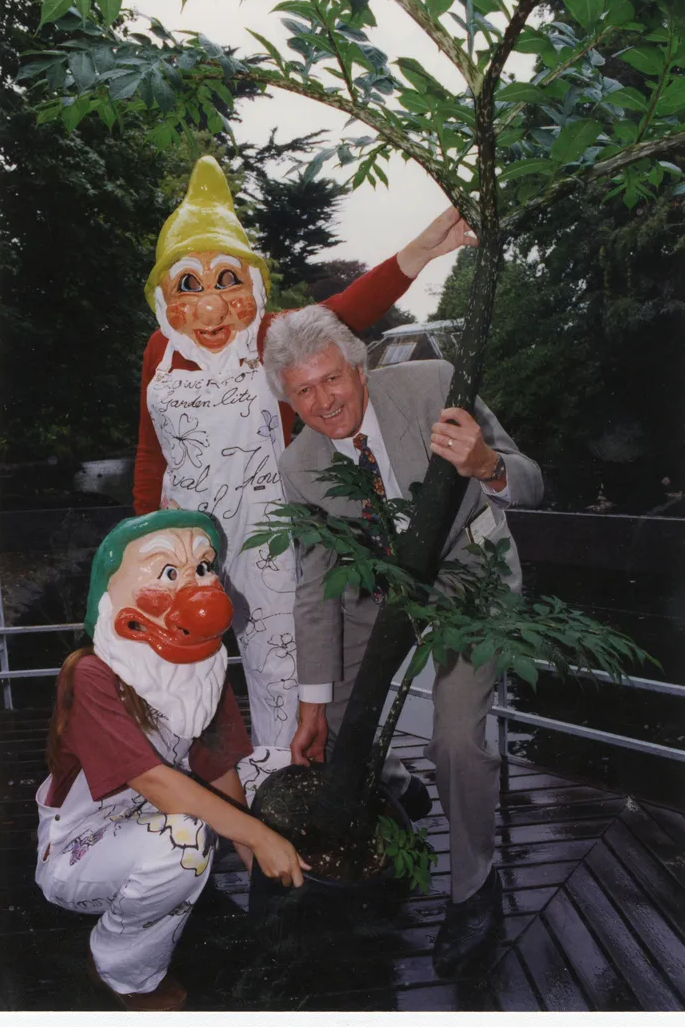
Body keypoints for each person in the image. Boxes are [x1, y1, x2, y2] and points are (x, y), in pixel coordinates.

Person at [133, 154, 477, 796]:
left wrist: (423, 251)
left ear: (254, 284)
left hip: (271, 545)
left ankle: (297, 796)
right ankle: (193, 810)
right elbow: (152, 453)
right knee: (181, 680)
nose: (210, 307)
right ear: (164, 294)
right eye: (189, 286)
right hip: (184, 548)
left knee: (285, 679)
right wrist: (139, 542)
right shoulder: (161, 351)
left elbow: (348, 311)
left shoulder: (271, 334)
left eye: (226, 280)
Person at [263, 305, 544, 977]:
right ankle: (400, 788)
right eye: (303, 391)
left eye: (331, 379)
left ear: (357, 367)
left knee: (454, 737)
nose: (324, 402)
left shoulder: (433, 385)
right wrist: (308, 705)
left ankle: (474, 888)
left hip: (470, 574)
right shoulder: (300, 465)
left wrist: (486, 465)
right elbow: (315, 584)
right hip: (386, 584)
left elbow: (531, 482)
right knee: (332, 714)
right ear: (287, 400)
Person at [35, 511, 309, 1011]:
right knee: (184, 835)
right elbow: (156, 782)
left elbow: (219, 765)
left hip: (151, 812)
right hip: (80, 849)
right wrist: (257, 836)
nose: (197, 588)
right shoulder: (91, 675)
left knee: (275, 768)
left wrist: (251, 857)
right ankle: (120, 964)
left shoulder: (201, 668)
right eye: (167, 572)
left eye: (203, 568)